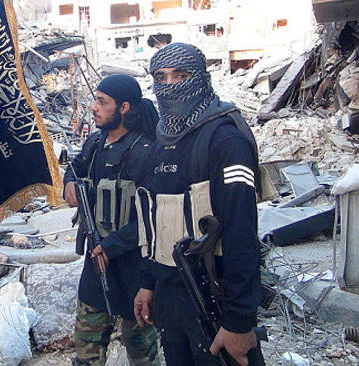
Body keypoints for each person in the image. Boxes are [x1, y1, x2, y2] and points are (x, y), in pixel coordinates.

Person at [133, 43, 264, 366]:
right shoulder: (161, 142)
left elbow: (241, 233)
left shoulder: (225, 140)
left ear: (201, 79)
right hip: (170, 300)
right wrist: (148, 284)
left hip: (214, 300)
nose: (170, 85)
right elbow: (155, 223)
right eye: (161, 78)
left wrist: (239, 321)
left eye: (180, 76)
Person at [63, 74, 160, 366]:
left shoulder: (146, 152)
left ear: (124, 107)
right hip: (96, 262)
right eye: (95, 100)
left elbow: (156, 217)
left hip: (134, 267)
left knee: (141, 350)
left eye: (102, 102)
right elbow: (75, 167)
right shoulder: (95, 142)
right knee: (87, 347)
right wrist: (69, 183)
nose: (94, 107)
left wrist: (113, 245)